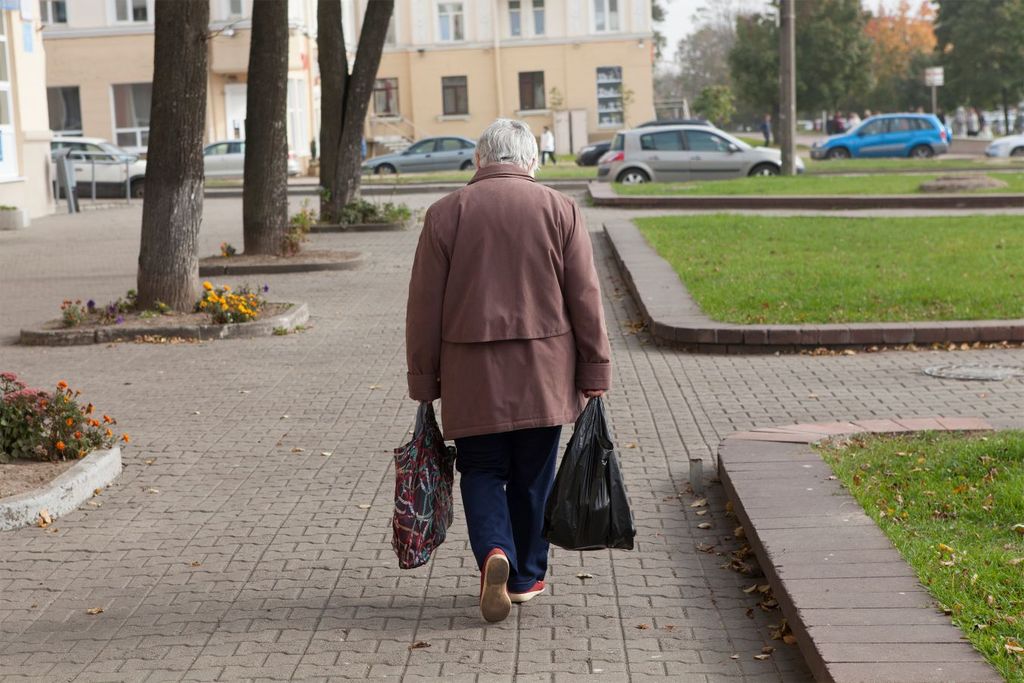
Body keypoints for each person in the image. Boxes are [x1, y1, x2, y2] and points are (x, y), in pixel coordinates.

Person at [405, 118, 612, 624]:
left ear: (479, 160)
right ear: (531, 162)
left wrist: (424, 380)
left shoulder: (444, 214)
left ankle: (494, 551)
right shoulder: (560, 210)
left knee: (481, 470)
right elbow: (584, 298)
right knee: (533, 474)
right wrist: (595, 370)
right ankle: (524, 578)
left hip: (471, 374)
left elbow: (423, 306)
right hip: (544, 371)